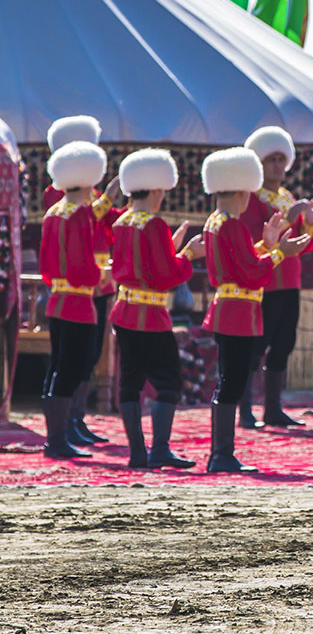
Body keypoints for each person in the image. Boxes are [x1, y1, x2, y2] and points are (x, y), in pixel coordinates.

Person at [201, 147, 311, 473]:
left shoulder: (216, 221)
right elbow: (251, 272)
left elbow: (242, 259)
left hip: (228, 309)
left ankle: (221, 453)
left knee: (229, 379)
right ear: (240, 191)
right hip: (237, 312)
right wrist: (280, 253)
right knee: (232, 382)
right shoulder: (231, 224)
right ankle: (221, 454)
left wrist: (267, 244)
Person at [110, 148, 203, 469]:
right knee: (168, 381)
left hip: (124, 311)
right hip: (150, 316)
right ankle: (160, 449)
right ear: (155, 189)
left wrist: (170, 250)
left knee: (130, 382)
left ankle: (137, 453)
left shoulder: (121, 221)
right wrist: (188, 254)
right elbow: (166, 276)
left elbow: (145, 265)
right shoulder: (154, 224)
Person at [238, 126, 313, 428]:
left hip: (290, 281)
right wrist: (292, 217)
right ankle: (245, 409)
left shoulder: (286, 196)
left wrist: (310, 223)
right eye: (271, 160)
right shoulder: (251, 199)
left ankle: (273, 408)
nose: (278, 166)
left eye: (281, 159)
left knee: (283, 343)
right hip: (265, 282)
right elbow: (255, 237)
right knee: (256, 346)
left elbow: (302, 244)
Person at [43, 115, 123, 447]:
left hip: (84, 288)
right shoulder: (62, 200)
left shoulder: (76, 201)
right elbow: (82, 235)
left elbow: (102, 222)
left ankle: (71, 423)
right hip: (80, 288)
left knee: (82, 358)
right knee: (70, 362)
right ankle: (61, 431)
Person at [39, 141, 108, 459]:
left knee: (58, 366)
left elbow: (47, 264)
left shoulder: (54, 212)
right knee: (72, 368)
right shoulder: (78, 215)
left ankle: (56, 436)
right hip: (78, 303)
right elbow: (83, 267)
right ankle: (58, 439)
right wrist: (101, 275)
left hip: (57, 299)